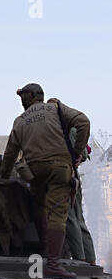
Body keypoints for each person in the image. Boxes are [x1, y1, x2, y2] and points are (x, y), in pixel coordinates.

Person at [0, 83, 90, 279]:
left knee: (39, 208)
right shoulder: (55, 108)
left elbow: (9, 155)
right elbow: (83, 122)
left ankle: (45, 253)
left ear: (32, 95)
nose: (21, 100)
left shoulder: (19, 120)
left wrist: (3, 179)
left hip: (34, 171)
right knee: (57, 213)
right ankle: (54, 263)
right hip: (59, 168)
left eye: (23, 95)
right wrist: (76, 152)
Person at [47, 98, 96, 264]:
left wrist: (72, 157)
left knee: (69, 218)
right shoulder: (73, 128)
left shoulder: (64, 129)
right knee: (80, 220)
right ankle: (90, 261)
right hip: (74, 177)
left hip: (67, 177)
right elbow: (85, 155)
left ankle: (80, 259)